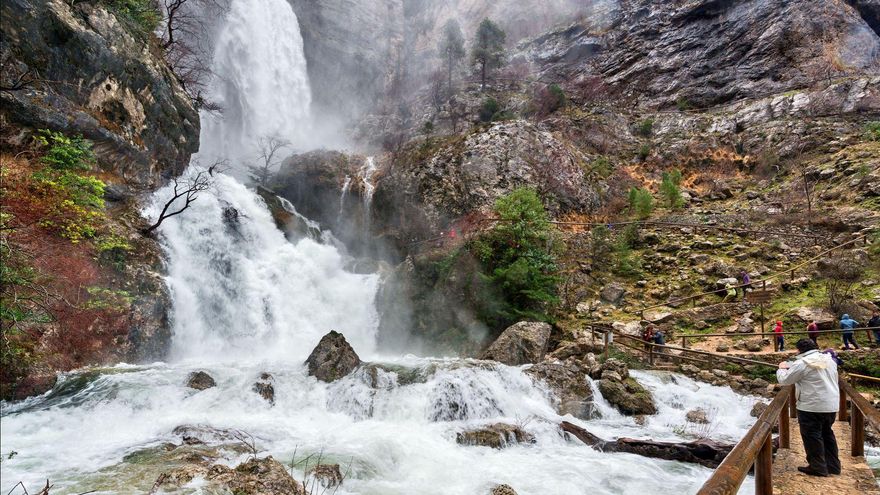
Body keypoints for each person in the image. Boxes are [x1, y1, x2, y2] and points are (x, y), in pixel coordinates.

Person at [776, 338, 841, 477]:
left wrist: (781, 369)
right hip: (831, 404)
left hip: (811, 406)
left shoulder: (802, 363)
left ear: (799, 350)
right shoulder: (828, 359)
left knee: (812, 436)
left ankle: (818, 467)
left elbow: (785, 380)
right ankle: (833, 466)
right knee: (827, 434)